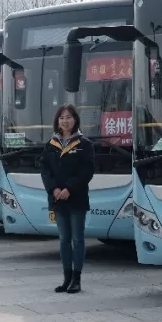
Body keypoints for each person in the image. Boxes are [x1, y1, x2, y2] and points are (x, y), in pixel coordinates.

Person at [40, 104, 95, 294]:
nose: (65, 121)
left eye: (69, 117)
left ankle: (77, 279)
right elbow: (45, 170)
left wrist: (69, 188)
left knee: (77, 239)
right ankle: (66, 278)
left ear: (75, 120)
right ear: (57, 121)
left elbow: (87, 171)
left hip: (76, 198)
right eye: (62, 118)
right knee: (64, 239)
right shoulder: (51, 144)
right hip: (57, 199)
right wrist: (53, 188)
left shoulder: (84, 144)